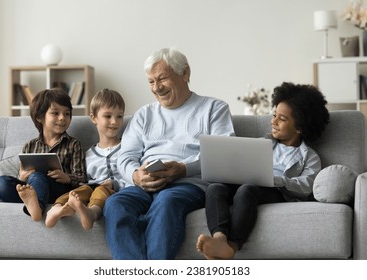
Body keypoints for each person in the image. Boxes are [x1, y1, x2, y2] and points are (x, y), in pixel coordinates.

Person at [103, 48, 235, 260]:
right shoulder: (144, 115)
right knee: (115, 203)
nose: (157, 88)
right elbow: (125, 157)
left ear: (184, 73)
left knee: (167, 199)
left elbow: (224, 154)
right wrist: (136, 176)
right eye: (151, 82)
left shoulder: (213, 108)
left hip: (188, 185)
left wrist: (183, 169)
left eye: (162, 78)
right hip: (144, 185)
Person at [196, 82, 330, 259]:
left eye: (282, 119)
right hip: (245, 182)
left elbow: (306, 186)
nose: (273, 121)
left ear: (300, 127)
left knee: (247, 189)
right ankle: (219, 238)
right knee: (215, 188)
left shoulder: (309, 156)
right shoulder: (260, 144)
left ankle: (233, 245)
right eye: (274, 115)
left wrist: (277, 179)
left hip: (275, 191)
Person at [0, 88, 87, 222]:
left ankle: (37, 208)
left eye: (67, 114)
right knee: (0, 183)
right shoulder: (30, 146)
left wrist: (67, 178)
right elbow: (22, 178)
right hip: (32, 187)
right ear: (39, 117)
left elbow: (82, 179)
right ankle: (32, 201)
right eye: (55, 113)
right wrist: (22, 177)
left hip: (58, 191)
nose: (62, 118)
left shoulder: (73, 144)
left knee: (38, 176)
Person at [45, 89, 126, 230]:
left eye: (119, 116)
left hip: (114, 192)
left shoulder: (127, 149)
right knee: (76, 193)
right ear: (94, 118)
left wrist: (115, 184)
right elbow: (83, 180)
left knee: (100, 191)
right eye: (108, 116)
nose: (114, 122)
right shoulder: (88, 155)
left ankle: (91, 214)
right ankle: (57, 209)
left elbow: (134, 178)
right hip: (91, 189)